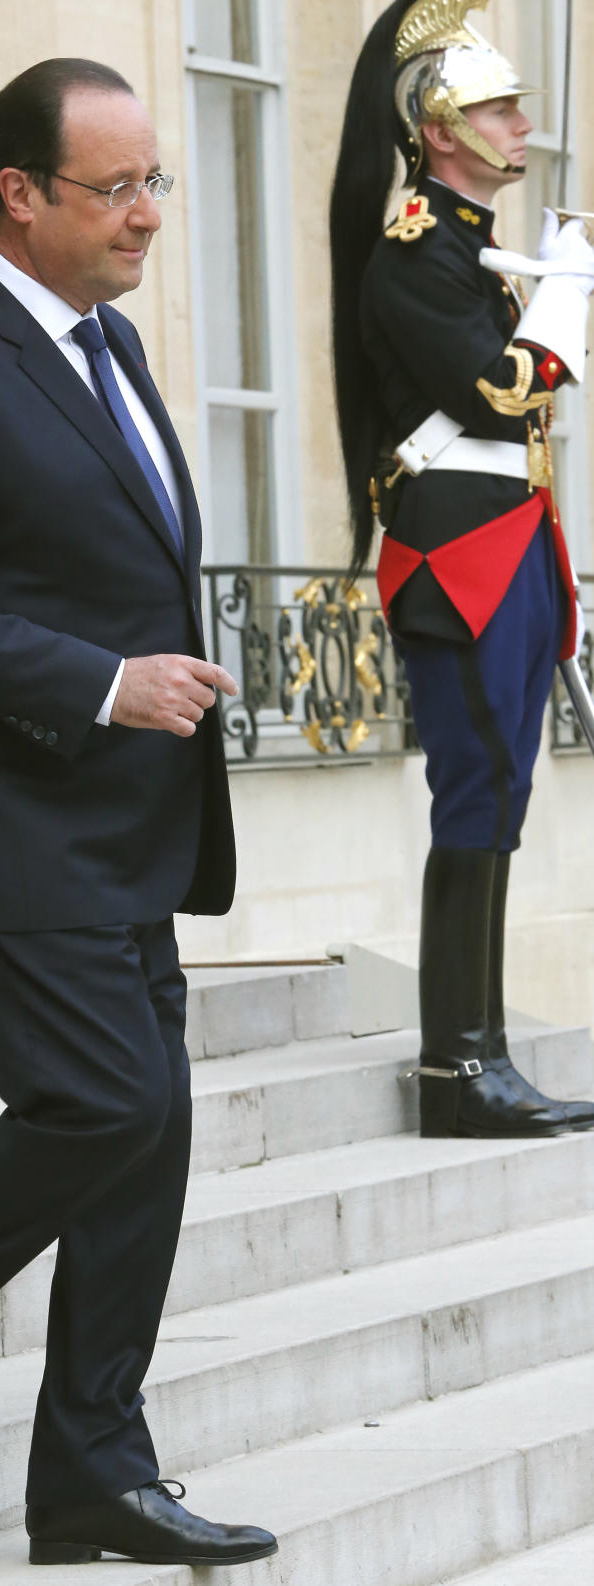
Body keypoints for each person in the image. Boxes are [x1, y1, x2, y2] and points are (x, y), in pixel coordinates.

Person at [0, 57, 278, 1570]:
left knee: (149, 1135)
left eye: (158, 181)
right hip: (3, 824)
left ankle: (94, 1458)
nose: (151, 212)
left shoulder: (112, 348)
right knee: (105, 1103)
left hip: (123, 826)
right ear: (19, 195)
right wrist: (104, 682)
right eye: (120, 185)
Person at [330, 0, 594, 1139]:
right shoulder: (414, 254)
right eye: (496, 105)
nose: (522, 121)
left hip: (512, 540)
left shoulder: (471, 253)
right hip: (458, 553)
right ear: (439, 125)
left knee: (502, 799)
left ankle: (475, 1052)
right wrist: (565, 301)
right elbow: (499, 391)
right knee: (476, 795)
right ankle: (458, 1063)